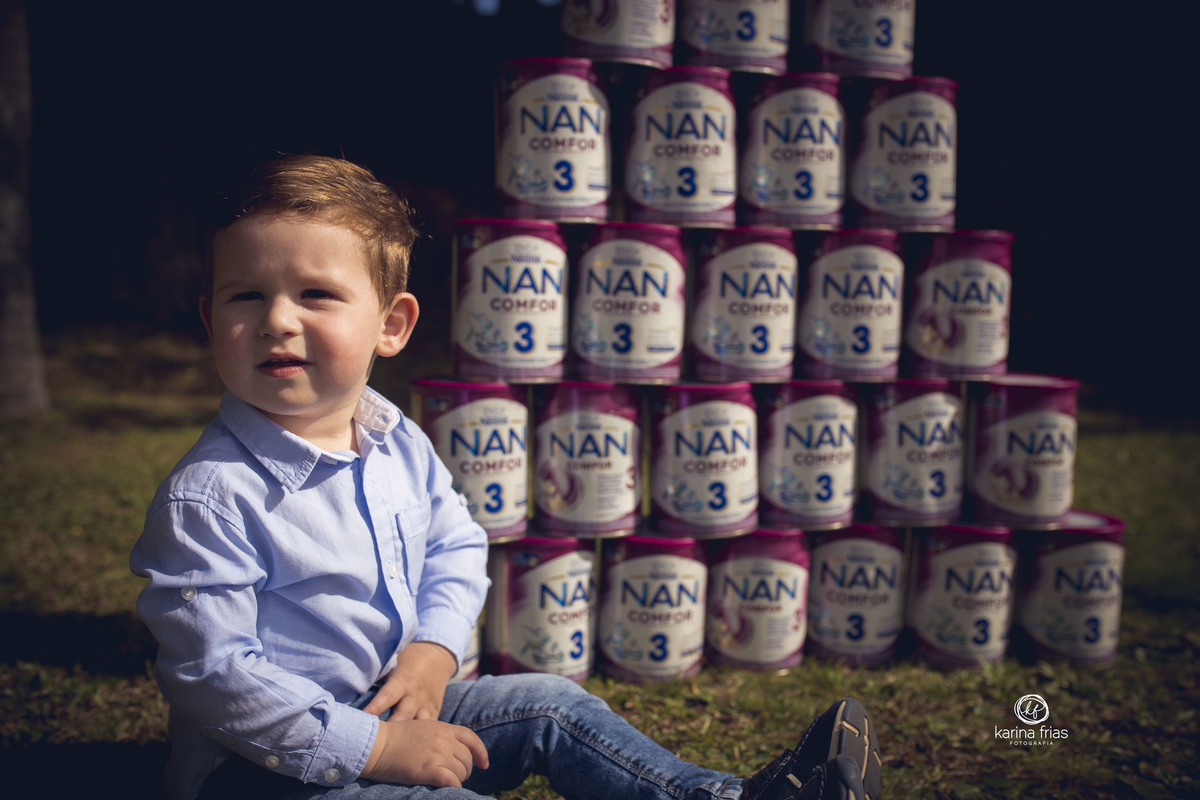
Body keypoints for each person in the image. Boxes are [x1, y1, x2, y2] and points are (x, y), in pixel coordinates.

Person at [130, 154, 884, 800]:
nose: (278, 320)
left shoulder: (396, 441)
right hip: (259, 769)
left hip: (390, 708)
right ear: (209, 321)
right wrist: (373, 751)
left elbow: (456, 546)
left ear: (391, 325)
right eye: (246, 296)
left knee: (551, 706)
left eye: (316, 294)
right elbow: (216, 675)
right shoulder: (213, 495)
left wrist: (433, 652)